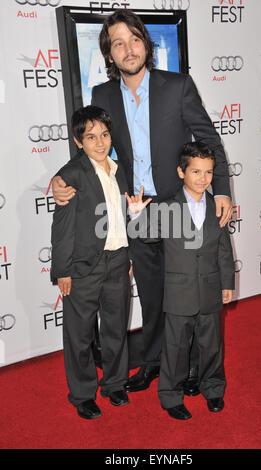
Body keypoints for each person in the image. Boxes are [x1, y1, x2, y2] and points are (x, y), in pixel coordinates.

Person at [52, 9, 233, 396]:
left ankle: (194, 370)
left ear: (146, 45)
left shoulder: (177, 85)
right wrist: (60, 178)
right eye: (118, 43)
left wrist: (221, 190)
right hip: (137, 211)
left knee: (191, 295)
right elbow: (91, 151)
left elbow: (210, 140)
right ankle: (153, 363)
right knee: (151, 296)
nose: (127, 49)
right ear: (110, 53)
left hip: (180, 208)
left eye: (134, 39)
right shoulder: (101, 95)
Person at [126, 141, 235, 420]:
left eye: (209, 172)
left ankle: (213, 389)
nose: (203, 179)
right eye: (196, 172)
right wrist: (137, 213)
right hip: (178, 292)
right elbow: (146, 234)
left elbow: (223, 248)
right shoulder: (168, 207)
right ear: (181, 172)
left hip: (210, 288)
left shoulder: (217, 206)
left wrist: (227, 283)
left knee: (211, 345)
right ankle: (170, 396)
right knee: (175, 347)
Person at [51, 105, 138, 419]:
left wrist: (127, 253)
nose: (100, 142)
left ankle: (115, 383)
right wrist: (62, 270)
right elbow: (62, 228)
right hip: (82, 268)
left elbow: (123, 216)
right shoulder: (71, 175)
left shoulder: (119, 169)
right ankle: (83, 394)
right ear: (78, 141)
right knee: (80, 335)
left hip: (118, 262)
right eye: (91, 137)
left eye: (104, 134)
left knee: (115, 328)